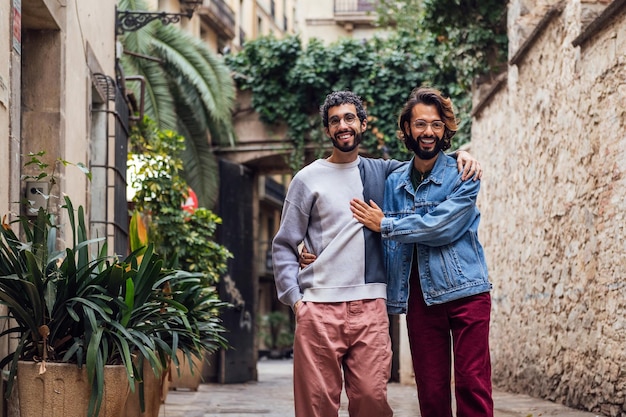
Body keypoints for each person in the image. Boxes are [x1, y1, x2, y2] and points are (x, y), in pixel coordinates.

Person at [272, 90, 482, 417]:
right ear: (327, 130)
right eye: (335, 121)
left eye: (350, 118)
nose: (343, 126)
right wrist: (296, 301)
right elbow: (284, 244)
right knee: (315, 407)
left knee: (372, 401)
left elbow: (426, 161)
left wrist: (461, 155)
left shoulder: (383, 173)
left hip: (370, 305)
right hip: (317, 307)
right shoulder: (306, 179)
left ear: (363, 124)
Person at [350, 86, 493, 417]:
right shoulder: (393, 179)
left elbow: (440, 226)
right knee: (431, 392)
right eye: (420, 124)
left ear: (445, 130)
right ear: (406, 129)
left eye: (436, 124)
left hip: (466, 292)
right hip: (419, 299)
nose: (429, 132)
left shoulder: (463, 174)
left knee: (473, 384)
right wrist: (311, 249)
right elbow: (345, 197)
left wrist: (387, 225)